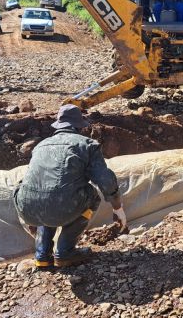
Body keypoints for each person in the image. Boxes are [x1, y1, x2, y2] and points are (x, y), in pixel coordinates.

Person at [14, 104, 125, 268]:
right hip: (59, 207)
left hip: (26, 207)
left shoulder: (41, 145)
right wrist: (118, 208)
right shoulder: (87, 145)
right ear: (79, 126)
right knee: (91, 195)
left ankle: (42, 256)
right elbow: (105, 181)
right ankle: (65, 253)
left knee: (48, 192)